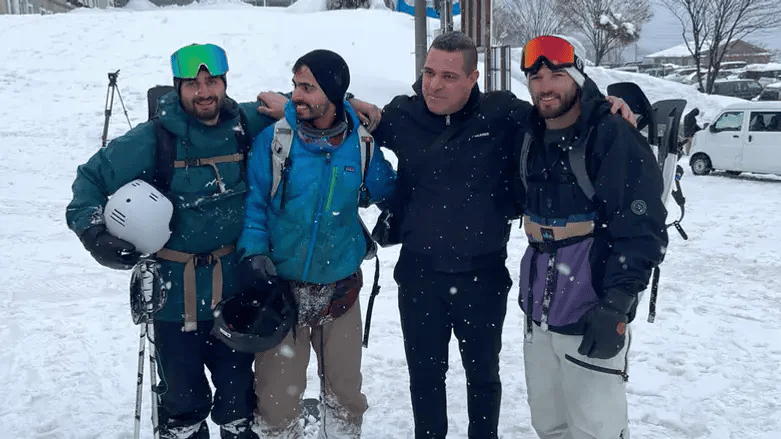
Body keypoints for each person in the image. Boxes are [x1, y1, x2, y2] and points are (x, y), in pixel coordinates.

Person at [65, 43, 379, 439]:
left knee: (239, 406)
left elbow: (311, 104)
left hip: (235, 295)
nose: (203, 92)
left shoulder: (245, 122)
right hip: (173, 296)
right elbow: (89, 179)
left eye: (211, 81)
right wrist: (94, 233)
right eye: (193, 84)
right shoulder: (153, 138)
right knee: (182, 406)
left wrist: (351, 102)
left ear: (224, 83)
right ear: (177, 88)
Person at [369, 31, 635, 439]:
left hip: (482, 277)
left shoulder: (503, 114)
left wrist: (606, 105)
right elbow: (354, 118)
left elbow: (563, 108)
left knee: (483, 377)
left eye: (448, 76)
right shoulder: (403, 115)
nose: (434, 84)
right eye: (428, 72)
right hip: (419, 276)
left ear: (474, 78)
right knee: (424, 378)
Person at [514, 35, 669, 439]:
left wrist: (616, 306)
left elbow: (642, 229)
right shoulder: (528, 133)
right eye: (536, 76)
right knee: (549, 425)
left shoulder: (611, 135)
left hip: (590, 312)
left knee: (596, 430)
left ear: (578, 75)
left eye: (556, 74)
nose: (545, 85)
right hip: (538, 314)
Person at [237, 49, 396, 439]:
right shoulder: (276, 141)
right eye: (294, 86)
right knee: (276, 404)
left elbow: (388, 189)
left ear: (334, 92)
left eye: (307, 87)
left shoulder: (360, 145)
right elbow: (254, 203)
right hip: (282, 291)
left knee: (345, 397)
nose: (296, 96)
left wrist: (396, 215)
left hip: (340, 288)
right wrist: (255, 252)